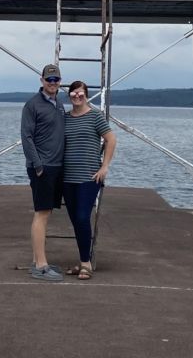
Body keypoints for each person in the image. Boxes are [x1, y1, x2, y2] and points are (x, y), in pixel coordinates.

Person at [63, 80, 116, 280]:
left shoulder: (95, 116)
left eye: (81, 93)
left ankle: (86, 263)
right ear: (70, 96)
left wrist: (104, 166)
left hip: (88, 176)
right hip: (67, 178)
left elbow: (111, 139)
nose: (77, 96)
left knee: (83, 217)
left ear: (86, 95)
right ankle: (83, 259)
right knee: (76, 221)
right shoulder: (65, 118)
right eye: (74, 93)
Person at [20, 63, 66, 281]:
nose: (52, 83)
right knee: (42, 213)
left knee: (46, 213)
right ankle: (40, 265)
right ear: (42, 81)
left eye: (56, 80)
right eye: (49, 80)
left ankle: (37, 259)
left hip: (56, 166)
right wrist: (38, 166)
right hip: (42, 168)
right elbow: (26, 138)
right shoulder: (32, 105)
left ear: (60, 82)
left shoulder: (59, 104)